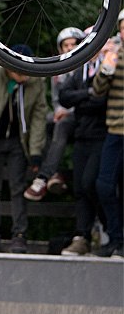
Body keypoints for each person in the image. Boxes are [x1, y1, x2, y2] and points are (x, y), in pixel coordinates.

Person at [0, 47, 48, 254]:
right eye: (19, 71)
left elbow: (39, 117)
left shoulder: (36, 80)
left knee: (17, 187)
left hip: (18, 140)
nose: (23, 76)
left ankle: (19, 234)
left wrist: (36, 151)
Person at [59, 42, 109, 256]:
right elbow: (64, 96)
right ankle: (82, 236)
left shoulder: (106, 67)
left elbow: (101, 101)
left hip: (101, 135)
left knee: (92, 184)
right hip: (81, 135)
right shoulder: (80, 68)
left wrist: (81, 99)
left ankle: (108, 228)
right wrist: (87, 94)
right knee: (80, 187)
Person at [24, 27, 84, 201]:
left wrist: (65, 112)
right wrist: (59, 110)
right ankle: (54, 173)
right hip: (63, 112)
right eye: (66, 45)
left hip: (79, 115)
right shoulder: (57, 71)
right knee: (40, 123)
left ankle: (44, 176)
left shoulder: (86, 66)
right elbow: (57, 99)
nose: (70, 48)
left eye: (74, 44)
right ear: (61, 48)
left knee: (60, 126)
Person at [92, 11, 124, 258]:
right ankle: (115, 237)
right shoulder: (115, 53)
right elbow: (97, 91)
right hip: (114, 130)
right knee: (104, 185)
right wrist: (106, 69)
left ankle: (119, 241)